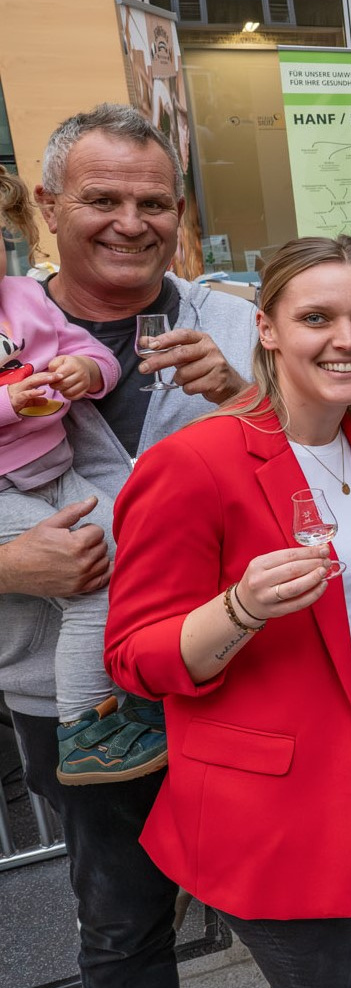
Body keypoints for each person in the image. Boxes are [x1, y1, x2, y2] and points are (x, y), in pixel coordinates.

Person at [105, 235, 351, 988]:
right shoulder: (195, 463)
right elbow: (134, 655)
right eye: (317, 317)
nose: (346, 340)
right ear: (267, 328)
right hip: (283, 777)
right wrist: (240, 607)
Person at [3, 103, 256, 988]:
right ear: (47, 205)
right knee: (122, 922)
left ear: (180, 214)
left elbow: (324, 472)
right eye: (101, 198)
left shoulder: (238, 320)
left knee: (269, 889)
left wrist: (237, 396)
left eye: (154, 204)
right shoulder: (3, 327)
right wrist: (4, 563)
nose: (130, 223)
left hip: (236, 666)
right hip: (80, 702)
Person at [2, 169, 131, 781]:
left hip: (58, 472)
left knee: (134, 549)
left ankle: (131, 699)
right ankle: (86, 729)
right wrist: (13, 401)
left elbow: (95, 352)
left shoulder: (23, 298)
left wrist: (86, 370)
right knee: (94, 580)